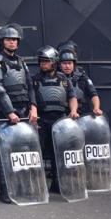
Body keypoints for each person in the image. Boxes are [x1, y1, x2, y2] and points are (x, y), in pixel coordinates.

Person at [0, 23, 38, 202]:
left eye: (14, 40)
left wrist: (33, 106)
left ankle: (24, 186)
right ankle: (6, 190)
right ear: (2, 41)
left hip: (24, 110)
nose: (12, 42)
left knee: (24, 151)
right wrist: (9, 112)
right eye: (8, 39)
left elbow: (30, 86)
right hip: (5, 113)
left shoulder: (21, 61)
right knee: (5, 152)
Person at [32, 45, 79, 190]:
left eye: (46, 61)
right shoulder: (34, 80)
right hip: (41, 120)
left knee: (58, 154)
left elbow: (72, 97)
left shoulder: (64, 79)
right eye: (41, 61)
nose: (43, 64)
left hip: (60, 120)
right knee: (36, 153)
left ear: (53, 61)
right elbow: (32, 100)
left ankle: (58, 185)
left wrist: (73, 111)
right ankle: (37, 185)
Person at [58, 46, 103, 116]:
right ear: (60, 65)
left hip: (82, 115)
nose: (67, 66)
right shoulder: (55, 77)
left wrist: (96, 108)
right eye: (64, 63)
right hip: (62, 116)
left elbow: (93, 94)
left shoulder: (81, 76)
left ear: (74, 64)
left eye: (69, 63)